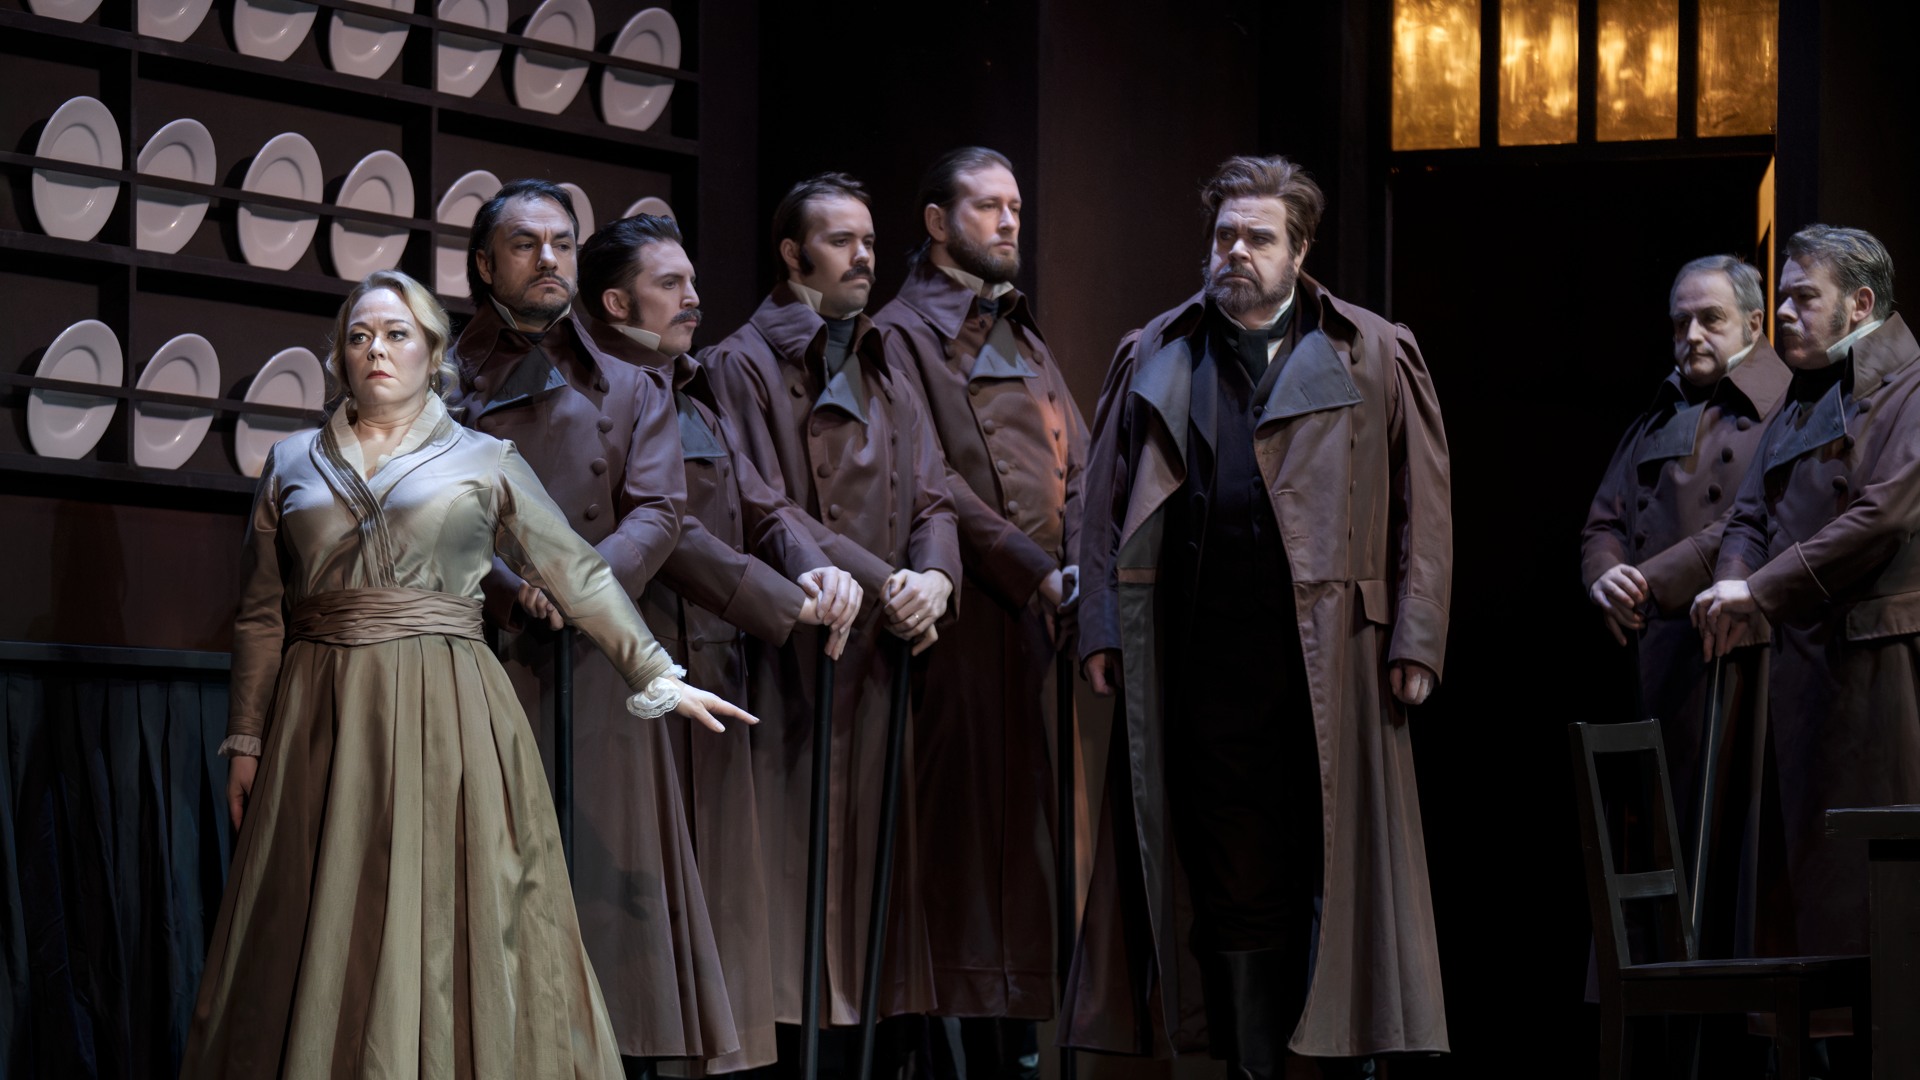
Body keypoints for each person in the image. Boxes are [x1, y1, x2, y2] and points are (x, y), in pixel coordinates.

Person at [180, 269, 754, 1078]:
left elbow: (574, 570)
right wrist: (247, 736)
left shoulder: (485, 458)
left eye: (397, 334)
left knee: (455, 903)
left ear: (434, 353)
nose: (377, 349)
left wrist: (657, 671)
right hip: (321, 708)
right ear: (340, 357)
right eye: (359, 336)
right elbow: (262, 613)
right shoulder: (291, 461)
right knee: (322, 902)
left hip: (445, 703)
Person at [1064, 156, 1452, 1078]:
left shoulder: (1372, 350)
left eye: (1258, 237)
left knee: (1338, 864)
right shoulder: (1157, 348)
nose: (1235, 252)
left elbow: (1422, 510)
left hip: (1337, 659)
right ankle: (1252, 1068)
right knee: (1230, 873)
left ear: (1300, 250)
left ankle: (1342, 1059)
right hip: (1205, 660)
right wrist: (1102, 630)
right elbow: (1100, 506)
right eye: (1223, 236)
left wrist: (1418, 639)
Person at [445, 179, 736, 1068]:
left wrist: (578, 589)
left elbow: (658, 510)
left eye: (562, 244)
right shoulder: (445, 376)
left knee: (612, 912)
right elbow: (423, 508)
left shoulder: (630, 383)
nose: (547, 259)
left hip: (603, 666)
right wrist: (507, 588)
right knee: (489, 891)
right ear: (486, 263)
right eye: (525, 245)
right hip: (482, 659)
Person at [577, 213, 868, 1073]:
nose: (694, 298)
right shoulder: (596, 394)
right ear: (616, 298)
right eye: (671, 285)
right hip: (638, 677)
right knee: (641, 926)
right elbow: (668, 534)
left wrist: (819, 571)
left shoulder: (692, 386)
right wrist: (786, 603)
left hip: (719, 665)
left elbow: (762, 502)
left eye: (693, 281)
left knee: (720, 925)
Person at [703, 173, 961, 1033]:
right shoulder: (741, 362)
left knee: (874, 891)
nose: (863, 257)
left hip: (883, 655)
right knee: (795, 877)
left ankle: (862, 1039)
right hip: (800, 650)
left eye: (870, 243)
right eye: (842, 241)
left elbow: (933, 495)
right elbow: (763, 503)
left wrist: (935, 580)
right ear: (792, 253)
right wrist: (883, 582)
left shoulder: (881, 353)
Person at [868, 147, 1088, 1068]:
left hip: (1039, 629)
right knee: (956, 855)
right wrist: (1031, 566)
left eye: (1015, 209)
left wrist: (1080, 566)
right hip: (958, 618)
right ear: (935, 220)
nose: (1007, 223)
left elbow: (1078, 460)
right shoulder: (900, 332)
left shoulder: (1025, 335)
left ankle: (1022, 1046)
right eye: (987, 207)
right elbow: (932, 479)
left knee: (1031, 854)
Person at [1693, 226, 1920, 967]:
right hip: (1796, 666)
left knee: (1867, 900)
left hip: (1875, 671)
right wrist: (1732, 580)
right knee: (1796, 897)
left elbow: (1881, 515)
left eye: (1801, 297)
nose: (1784, 312)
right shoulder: (1804, 393)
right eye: (1781, 296)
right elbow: (1751, 513)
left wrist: (1757, 590)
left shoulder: (1910, 388)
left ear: (1859, 304)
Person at [1580, 255, 1789, 954]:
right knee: (1659, 866)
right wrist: (1605, 574)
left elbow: (1745, 523)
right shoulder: (1661, 412)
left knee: (1730, 862)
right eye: (1680, 322)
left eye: (1710, 319)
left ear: (1755, 325)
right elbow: (1604, 519)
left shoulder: (1783, 405)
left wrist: (1649, 578)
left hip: (1736, 661)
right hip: (1656, 665)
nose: (1692, 335)